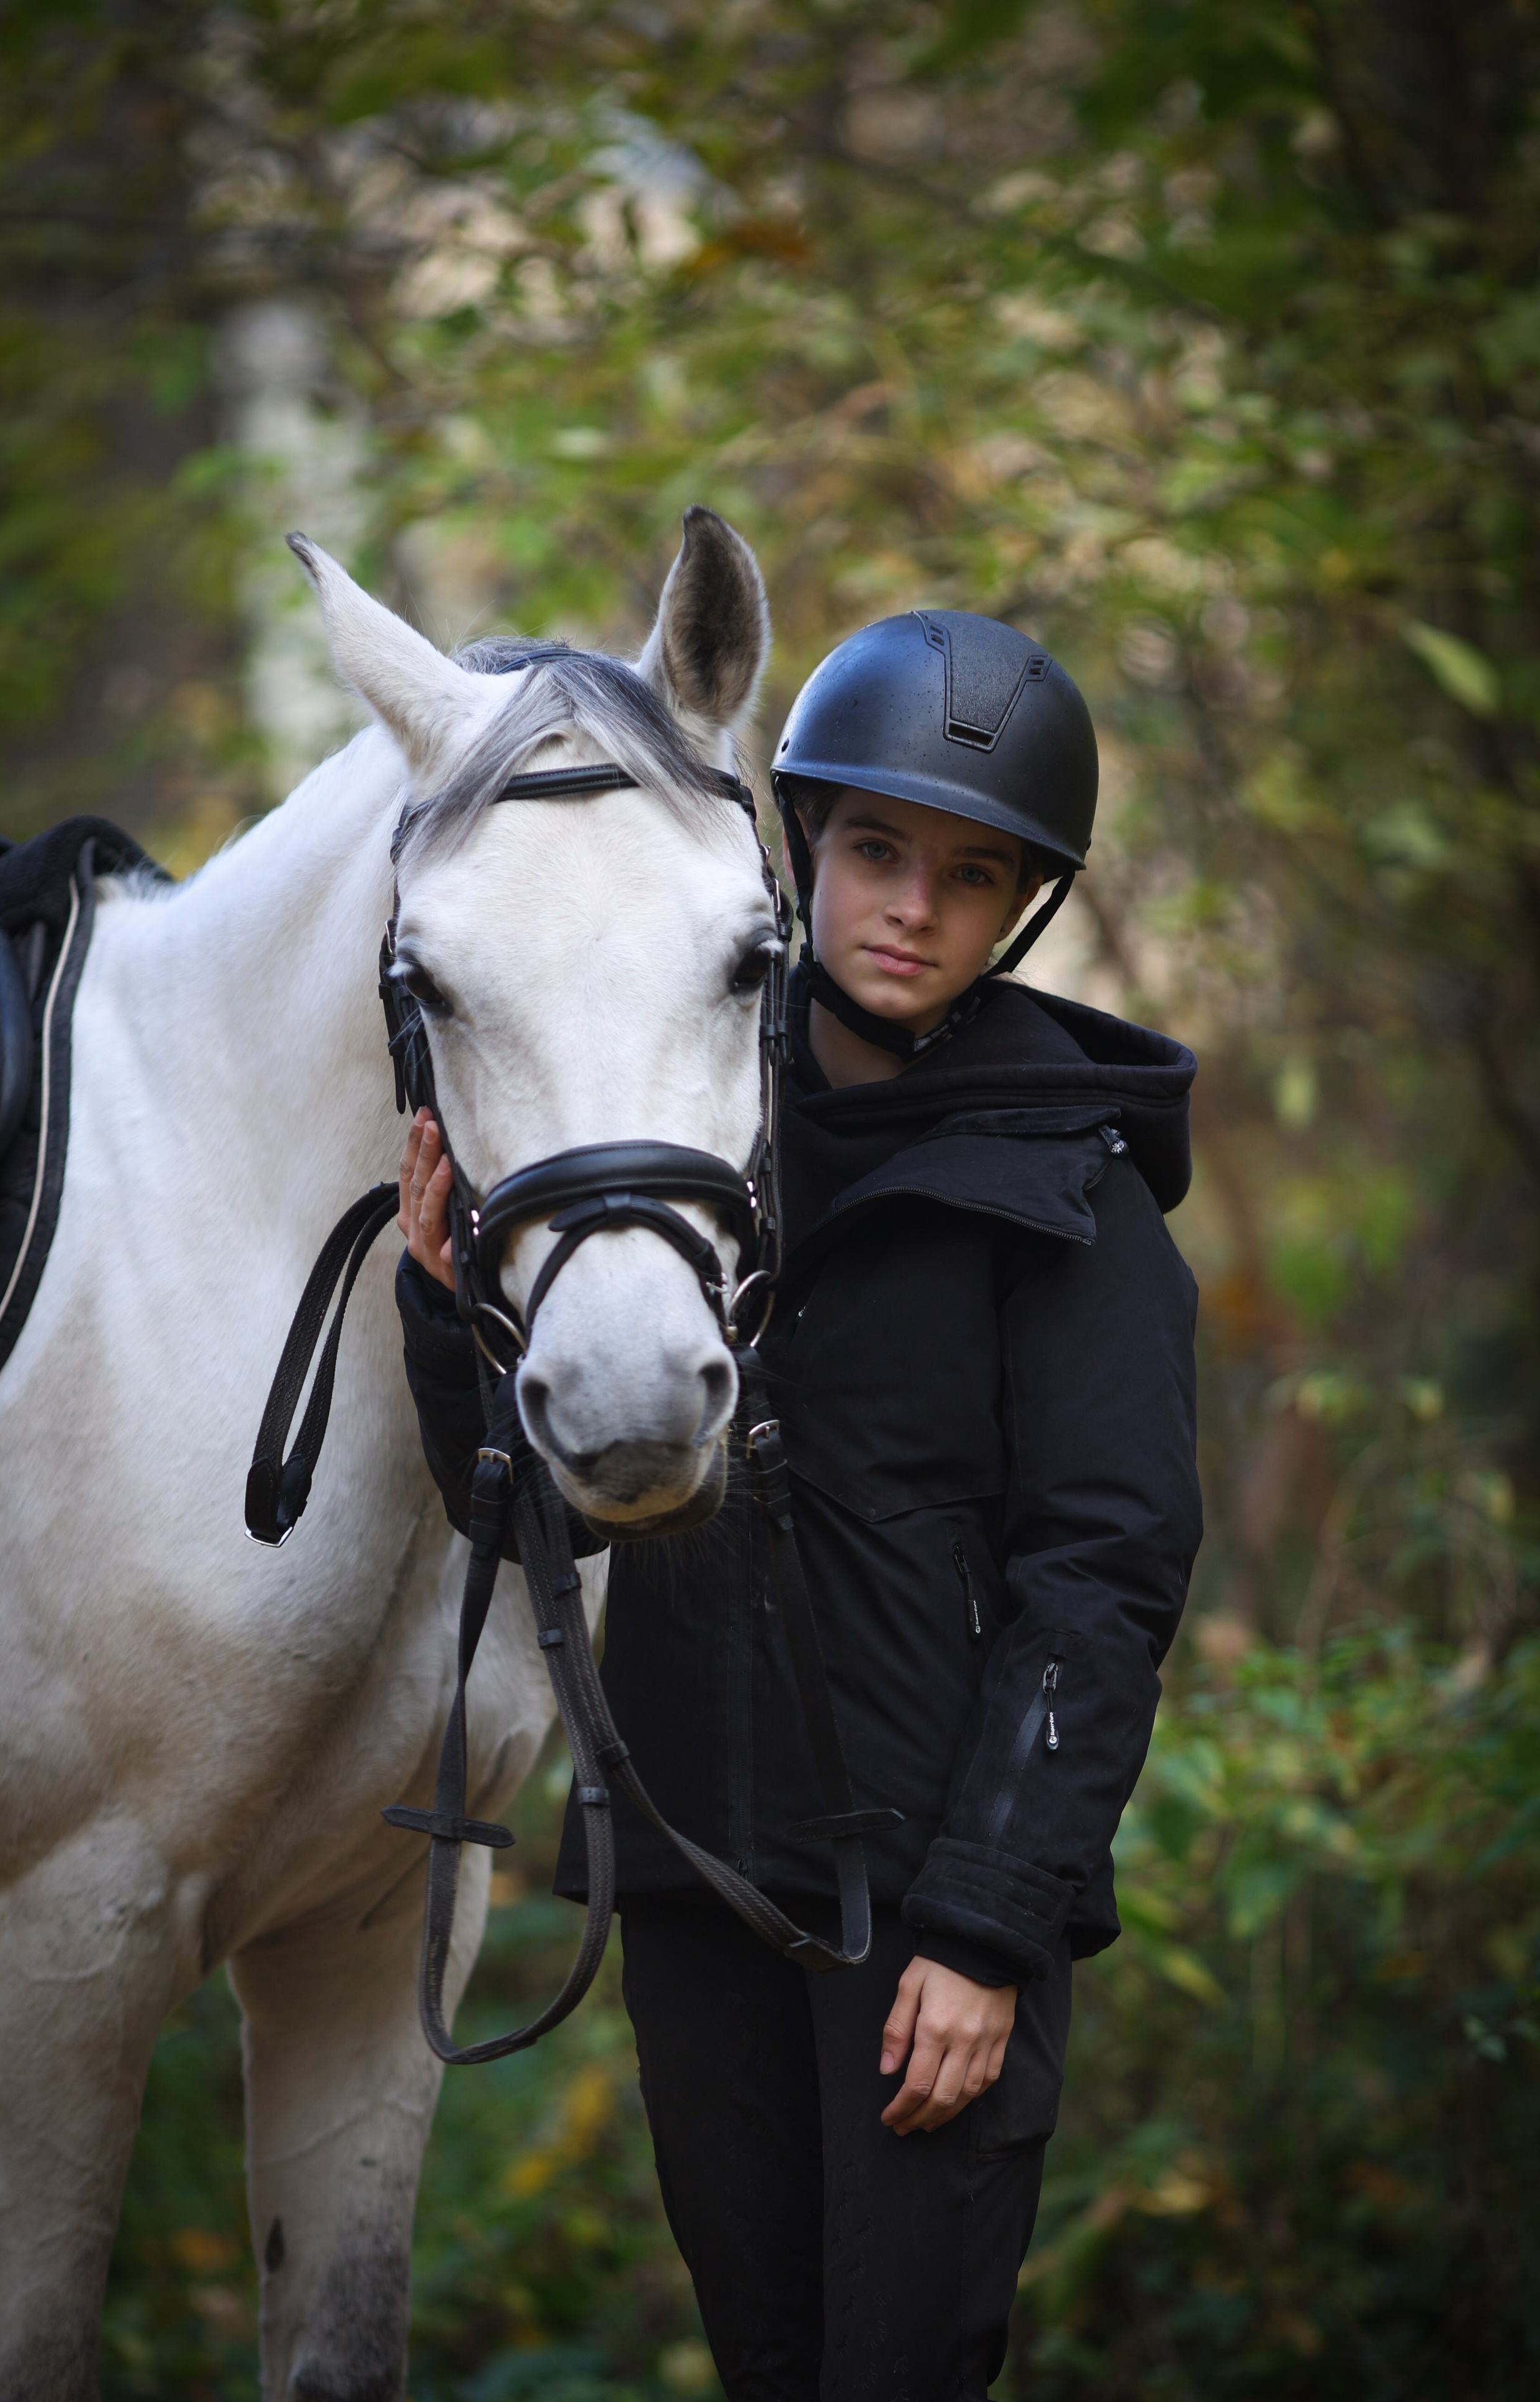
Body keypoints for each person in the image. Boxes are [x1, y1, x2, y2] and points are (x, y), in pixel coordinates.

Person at [395, 609, 1201, 2401]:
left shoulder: (1074, 1196)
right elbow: (528, 1509)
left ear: (1021, 909)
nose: (910, 905)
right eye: (875, 851)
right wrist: (455, 1313)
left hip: (933, 1915)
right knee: (764, 2363)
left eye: (968, 874)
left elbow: (1105, 1579)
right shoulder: (683, 1157)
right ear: (804, 848)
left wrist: (990, 1927)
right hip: (702, 1885)